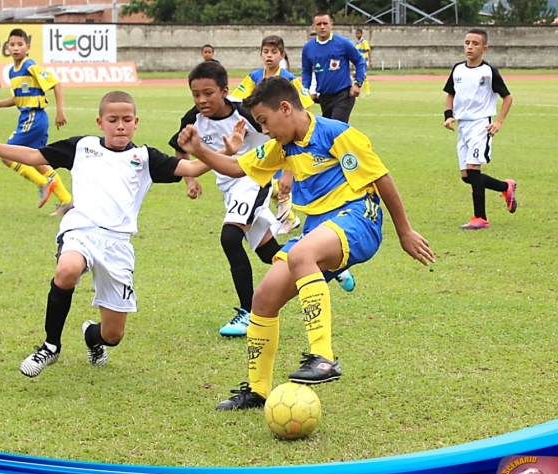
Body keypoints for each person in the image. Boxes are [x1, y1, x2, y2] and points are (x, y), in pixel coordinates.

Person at [176, 76, 435, 410]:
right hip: (318, 230)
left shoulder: (337, 133)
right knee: (263, 298)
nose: (265, 130)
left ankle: (324, 357)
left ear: (285, 108)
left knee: (300, 253)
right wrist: (199, 150)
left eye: (265, 122)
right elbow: (236, 166)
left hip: (358, 219)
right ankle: (258, 390)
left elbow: (381, 178)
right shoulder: (281, 147)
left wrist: (405, 231)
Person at [0, 91, 238, 378]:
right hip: (81, 230)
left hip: (118, 245)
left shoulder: (145, 157)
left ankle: (91, 337)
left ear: (136, 122)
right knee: (67, 269)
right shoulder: (82, 146)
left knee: (113, 334)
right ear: (100, 123)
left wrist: (226, 151)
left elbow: (192, 167)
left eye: (126, 119)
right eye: (113, 120)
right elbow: (35, 155)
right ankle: (50, 346)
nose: (120, 125)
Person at [169, 61, 284, 338]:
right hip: (229, 187)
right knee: (269, 253)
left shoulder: (245, 113)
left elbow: (282, 136)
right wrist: (191, 180)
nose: (201, 100)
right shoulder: (192, 118)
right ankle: (323, 265)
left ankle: (249, 313)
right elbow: (181, 150)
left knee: (230, 238)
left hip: (254, 179)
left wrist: (287, 173)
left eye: (208, 93)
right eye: (196, 94)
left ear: (224, 91)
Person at [229, 34, 314, 236]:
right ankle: (288, 216)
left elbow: (305, 107)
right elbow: (237, 99)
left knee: (282, 177)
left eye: (274, 52)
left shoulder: (290, 80)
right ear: (260, 54)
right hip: (263, 135)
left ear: (282, 55)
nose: (269, 56)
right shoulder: (254, 77)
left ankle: (291, 215)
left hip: (285, 136)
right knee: (266, 177)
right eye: (266, 52)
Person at [0, 28, 73, 216]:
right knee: (36, 161)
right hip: (27, 118)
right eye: (12, 45)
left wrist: (60, 111)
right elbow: (18, 98)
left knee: (7, 155)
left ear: (28, 47)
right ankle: (67, 201)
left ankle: (45, 183)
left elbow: (56, 84)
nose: (16, 48)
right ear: (7, 48)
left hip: (34, 117)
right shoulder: (12, 73)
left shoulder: (30, 66)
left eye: (20, 44)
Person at [443, 28, 516, 230]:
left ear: (484, 48)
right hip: (463, 126)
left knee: (474, 170)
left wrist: (499, 122)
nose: (470, 47)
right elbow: (450, 94)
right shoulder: (457, 69)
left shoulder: (489, 71)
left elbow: (507, 97)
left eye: (475, 44)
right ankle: (505, 187)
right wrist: (448, 116)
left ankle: (480, 218)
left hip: (480, 125)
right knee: (467, 176)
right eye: (467, 43)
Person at [302, 12, 366, 123]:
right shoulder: (308, 48)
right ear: (313, 26)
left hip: (343, 94)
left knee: (336, 126)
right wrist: (305, 89)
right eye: (318, 24)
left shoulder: (343, 43)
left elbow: (359, 61)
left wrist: (358, 83)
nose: (322, 27)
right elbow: (306, 71)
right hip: (324, 97)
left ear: (331, 25)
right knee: (330, 132)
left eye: (325, 23)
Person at [354, 28, 372, 96]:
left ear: (361, 34)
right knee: (355, 75)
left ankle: (367, 93)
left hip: (363, 61)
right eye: (356, 33)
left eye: (358, 33)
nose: (357, 35)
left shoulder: (364, 42)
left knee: (364, 76)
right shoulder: (357, 43)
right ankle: (357, 91)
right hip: (358, 62)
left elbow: (368, 50)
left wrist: (370, 60)